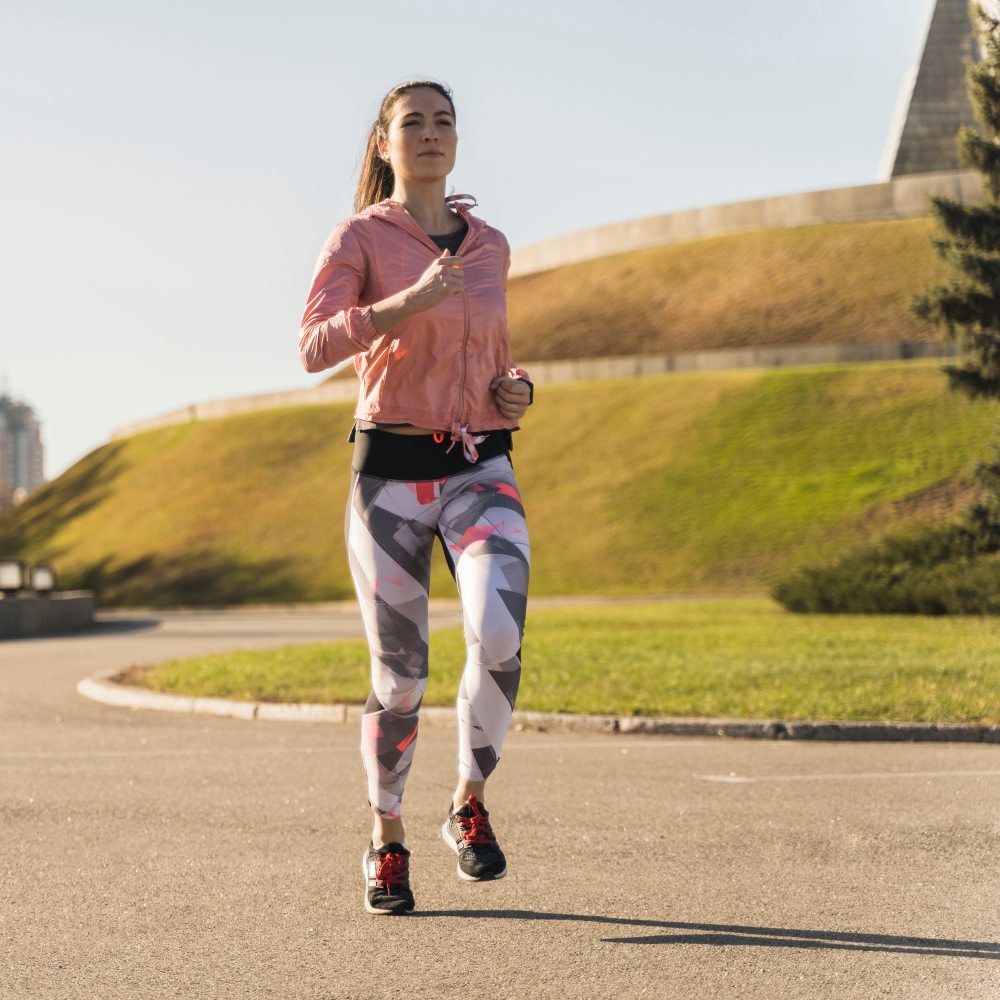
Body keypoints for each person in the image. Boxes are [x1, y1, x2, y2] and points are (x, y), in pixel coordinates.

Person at [298, 80, 533, 915]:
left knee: (499, 631)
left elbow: (497, 354)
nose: (430, 134)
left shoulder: (492, 244)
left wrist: (516, 390)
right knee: (400, 679)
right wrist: (404, 303)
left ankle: (468, 803)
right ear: (382, 145)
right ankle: (386, 839)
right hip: (389, 477)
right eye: (412, 124)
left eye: (443, 122)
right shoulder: (360, 238)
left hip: (480, 468)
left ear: (457, 141)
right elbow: (313, 347)